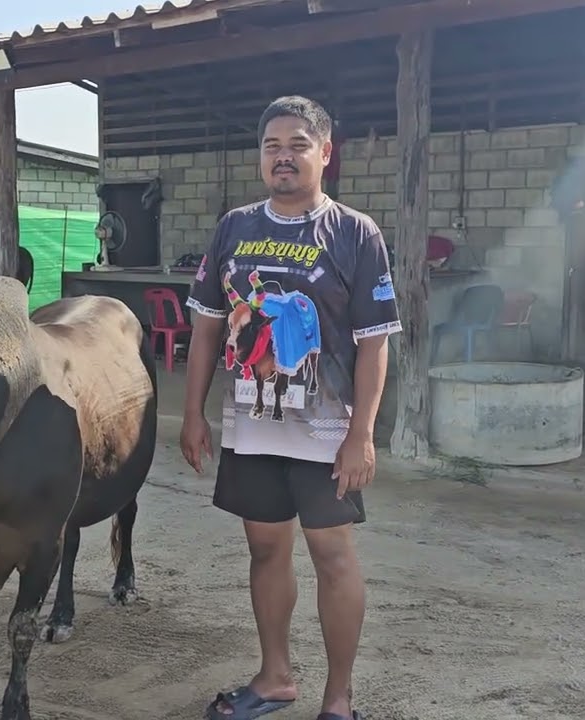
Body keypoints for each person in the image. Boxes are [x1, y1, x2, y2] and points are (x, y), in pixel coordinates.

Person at [181, 95, 400, 720]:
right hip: (252, 428)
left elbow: (373, 344)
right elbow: (206, 328)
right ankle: (275, 677)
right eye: (272, 145)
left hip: (327, 433)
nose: (284, 156)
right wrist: (194, 413)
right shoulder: (234, 227)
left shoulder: (356, 233)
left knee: (333, 557)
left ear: (325, 154)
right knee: (265, 552)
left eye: (298, 144)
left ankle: (338, 699)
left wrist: (362, 433)